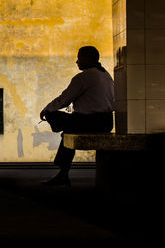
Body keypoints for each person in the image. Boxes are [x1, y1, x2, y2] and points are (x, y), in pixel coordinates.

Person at [40, 46, 114, 187]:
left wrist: (46, 110)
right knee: (67, 133)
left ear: (87, 59)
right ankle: (63, 175)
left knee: (53, 114)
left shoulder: (84, 77)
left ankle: (62, 174)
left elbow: (64, 99)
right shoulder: (106, 75)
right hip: (107, 122)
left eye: (79, 58)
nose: (77, 61)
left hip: (88, 122)